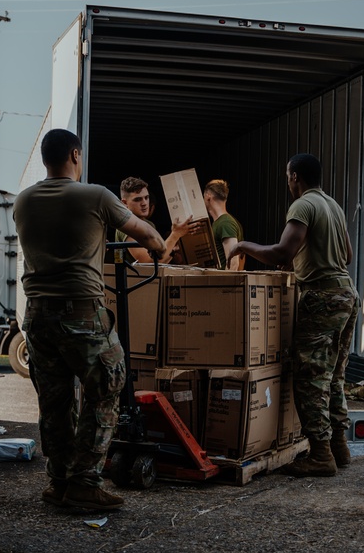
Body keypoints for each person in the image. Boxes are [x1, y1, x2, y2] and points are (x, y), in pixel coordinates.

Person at [13, 129, 166, 510]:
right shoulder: (96, 195)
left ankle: (59, 481)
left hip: (36, 316)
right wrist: (160, 244)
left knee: (55, 400)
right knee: (106, 390)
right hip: (81, 311)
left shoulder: (24, 200)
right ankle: (84, 481)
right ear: (75, 155)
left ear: (46, 159)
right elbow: (145, 234)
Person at [231, 153, 359, 477]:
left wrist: (243, 246)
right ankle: (340, 448)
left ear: (295, 177)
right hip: (348, 295)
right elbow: (346, 255)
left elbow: (281, 251)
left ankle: (320, 455)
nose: (288, 182)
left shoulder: (303, 205)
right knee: (334, 376)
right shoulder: (333, 205)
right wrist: (304, 257)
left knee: (309, 377)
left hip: (323, 298)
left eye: (288, 176)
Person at [116, 176, 193, 264]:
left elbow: (160, 262)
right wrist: (175, 235)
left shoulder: (148, 224)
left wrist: (172, 249)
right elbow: (149, 263)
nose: (144, 203)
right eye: (138, 199)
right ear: (125, 203)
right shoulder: (126, 224)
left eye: (146, 197)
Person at [202, 179, 245, 270]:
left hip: (222, 283)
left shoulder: (225, 223)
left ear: (208, 196)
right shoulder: (219, 223)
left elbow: (233, 264)